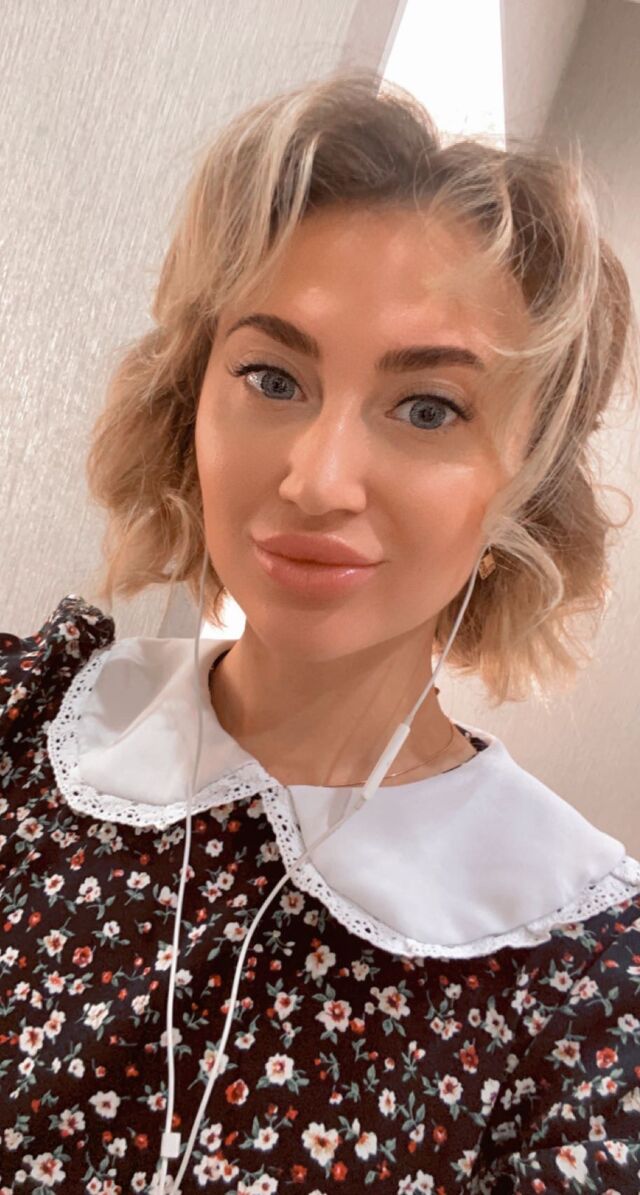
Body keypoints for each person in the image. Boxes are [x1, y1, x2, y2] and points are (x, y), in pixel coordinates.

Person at [2, 67, 640, 1195]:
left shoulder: (581, 976)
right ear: (189, 404)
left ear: (525, 489)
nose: (317, 478)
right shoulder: (32, 725)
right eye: (272, 376)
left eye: (428, 408)